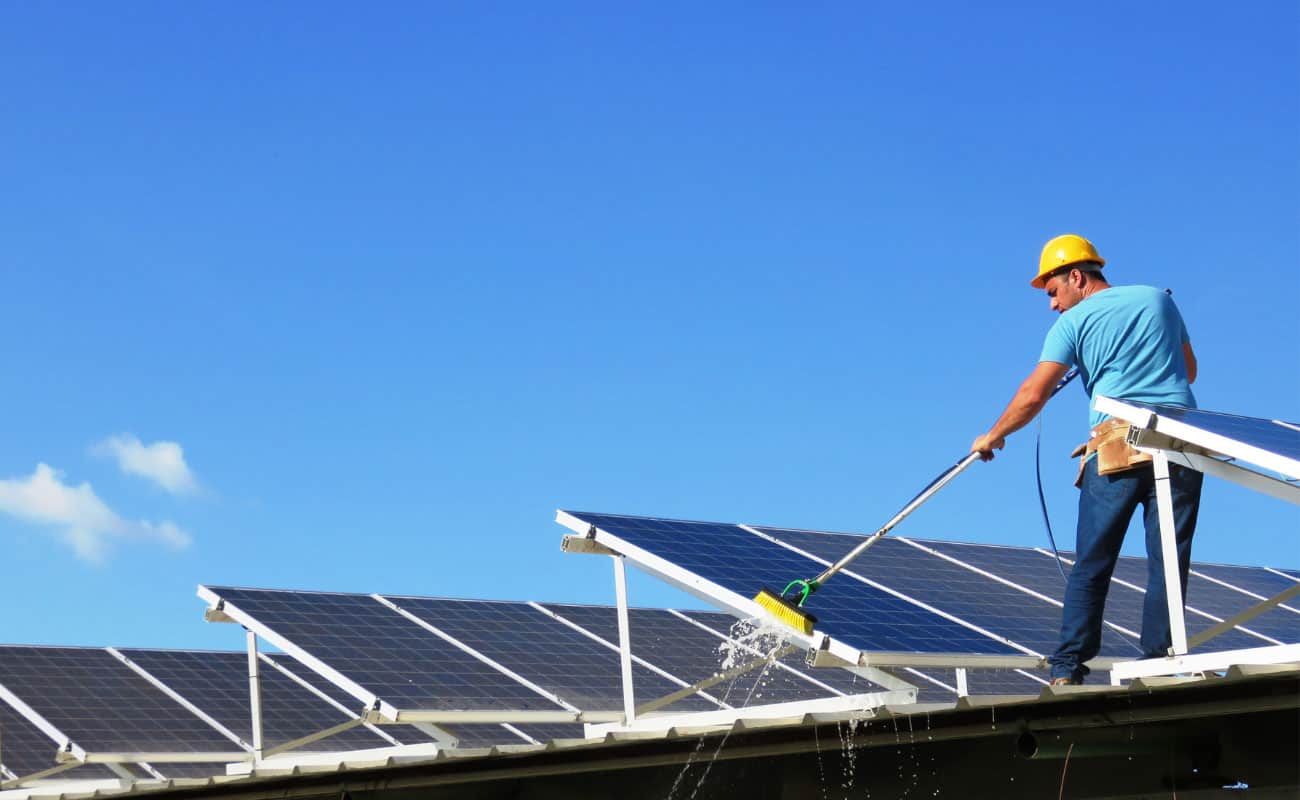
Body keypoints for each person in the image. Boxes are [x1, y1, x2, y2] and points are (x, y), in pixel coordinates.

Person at [970, 234, 1203, 685]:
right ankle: (1161, 659)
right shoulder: (1159, 300)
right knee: (1169, 561)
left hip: (1117, 443)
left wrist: (993, 436)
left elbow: (1033, 394)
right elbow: (1188, 370)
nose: (1053, 305)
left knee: (1093, 560)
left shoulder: (1071, 325)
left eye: (1054, 292)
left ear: (1076, 277)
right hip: (1181, 444)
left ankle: (1067, 668)